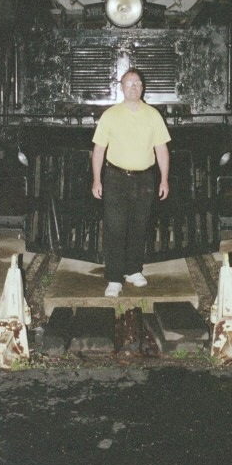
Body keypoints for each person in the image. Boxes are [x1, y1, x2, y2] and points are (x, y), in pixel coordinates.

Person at [91, 68, 171, 297]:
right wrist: (97, 179)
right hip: (115, 178)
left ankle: (133, 270)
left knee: (139, 227)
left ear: (142, 87)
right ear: (122, 88)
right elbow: (99, 149)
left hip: (145, 179)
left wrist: (164, 179)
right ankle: (114, 278)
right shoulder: (110, 115)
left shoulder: (153, 115)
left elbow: (161, 149)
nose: (133, 87)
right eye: (128, 83)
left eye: (137, 83)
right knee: (115, 228)